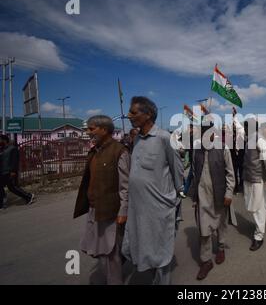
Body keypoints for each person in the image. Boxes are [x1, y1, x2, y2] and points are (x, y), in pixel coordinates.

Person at [122, 96, 184, 285]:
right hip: (138, 208)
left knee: (161, 249)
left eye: (133, 112)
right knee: (134, 245)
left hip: (159, 208)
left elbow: (177, 171)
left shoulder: (165, 138)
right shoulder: (137, 139)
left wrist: (174, 200)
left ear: (148, 115)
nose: (129, 115)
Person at [73, 115, 130, 284]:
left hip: (111, 210)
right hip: (95, 209)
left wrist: (123, 211)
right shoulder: (95, 150)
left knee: (111, 251)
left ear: (104, 130)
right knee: (99, 249)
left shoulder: (120, 151)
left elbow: (125, 186)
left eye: (92, 129)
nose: (88, 132)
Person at [190, 121, 236, 280]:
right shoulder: (196, 151)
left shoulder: (223, 148)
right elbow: (194, 175)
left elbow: (230, 174)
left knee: (221, 224)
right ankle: (206, 261)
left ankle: (221, 247)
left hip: (220, 194)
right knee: (204, 229)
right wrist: (194, 197)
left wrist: (229, 194)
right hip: (202, 197)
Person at [243, 117, 266, 251]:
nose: (244, 129)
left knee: (258, 207)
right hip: (249, 178)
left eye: (246, 127)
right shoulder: (249, 139)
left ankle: (259, 236)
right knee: (253, 205)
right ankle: (259, 227)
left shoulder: (259, 139)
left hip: (257, 179)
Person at [0, 135, 35, 209]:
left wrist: (13, 171)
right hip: (3, 172)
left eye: (0, 140)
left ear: (4, 140)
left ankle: (28, 196)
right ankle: (28, 196)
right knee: (11, 187)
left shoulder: (12, 149)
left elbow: (15, 161)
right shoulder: (2, 150)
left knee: (12, 187)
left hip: (9, 171)